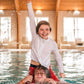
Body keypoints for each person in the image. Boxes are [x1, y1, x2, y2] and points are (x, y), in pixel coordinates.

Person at [18, 0, 65, 83]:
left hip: (47, 69)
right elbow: (31, 18)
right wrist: (29, 4)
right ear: (37, 31)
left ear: (50, 30)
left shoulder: (52, 43)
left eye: (47, 29)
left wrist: (61, 71)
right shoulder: (35, 37)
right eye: (41, 30)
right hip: (34, 68)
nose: (44, 32)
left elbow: (58, 57)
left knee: (59, 82)